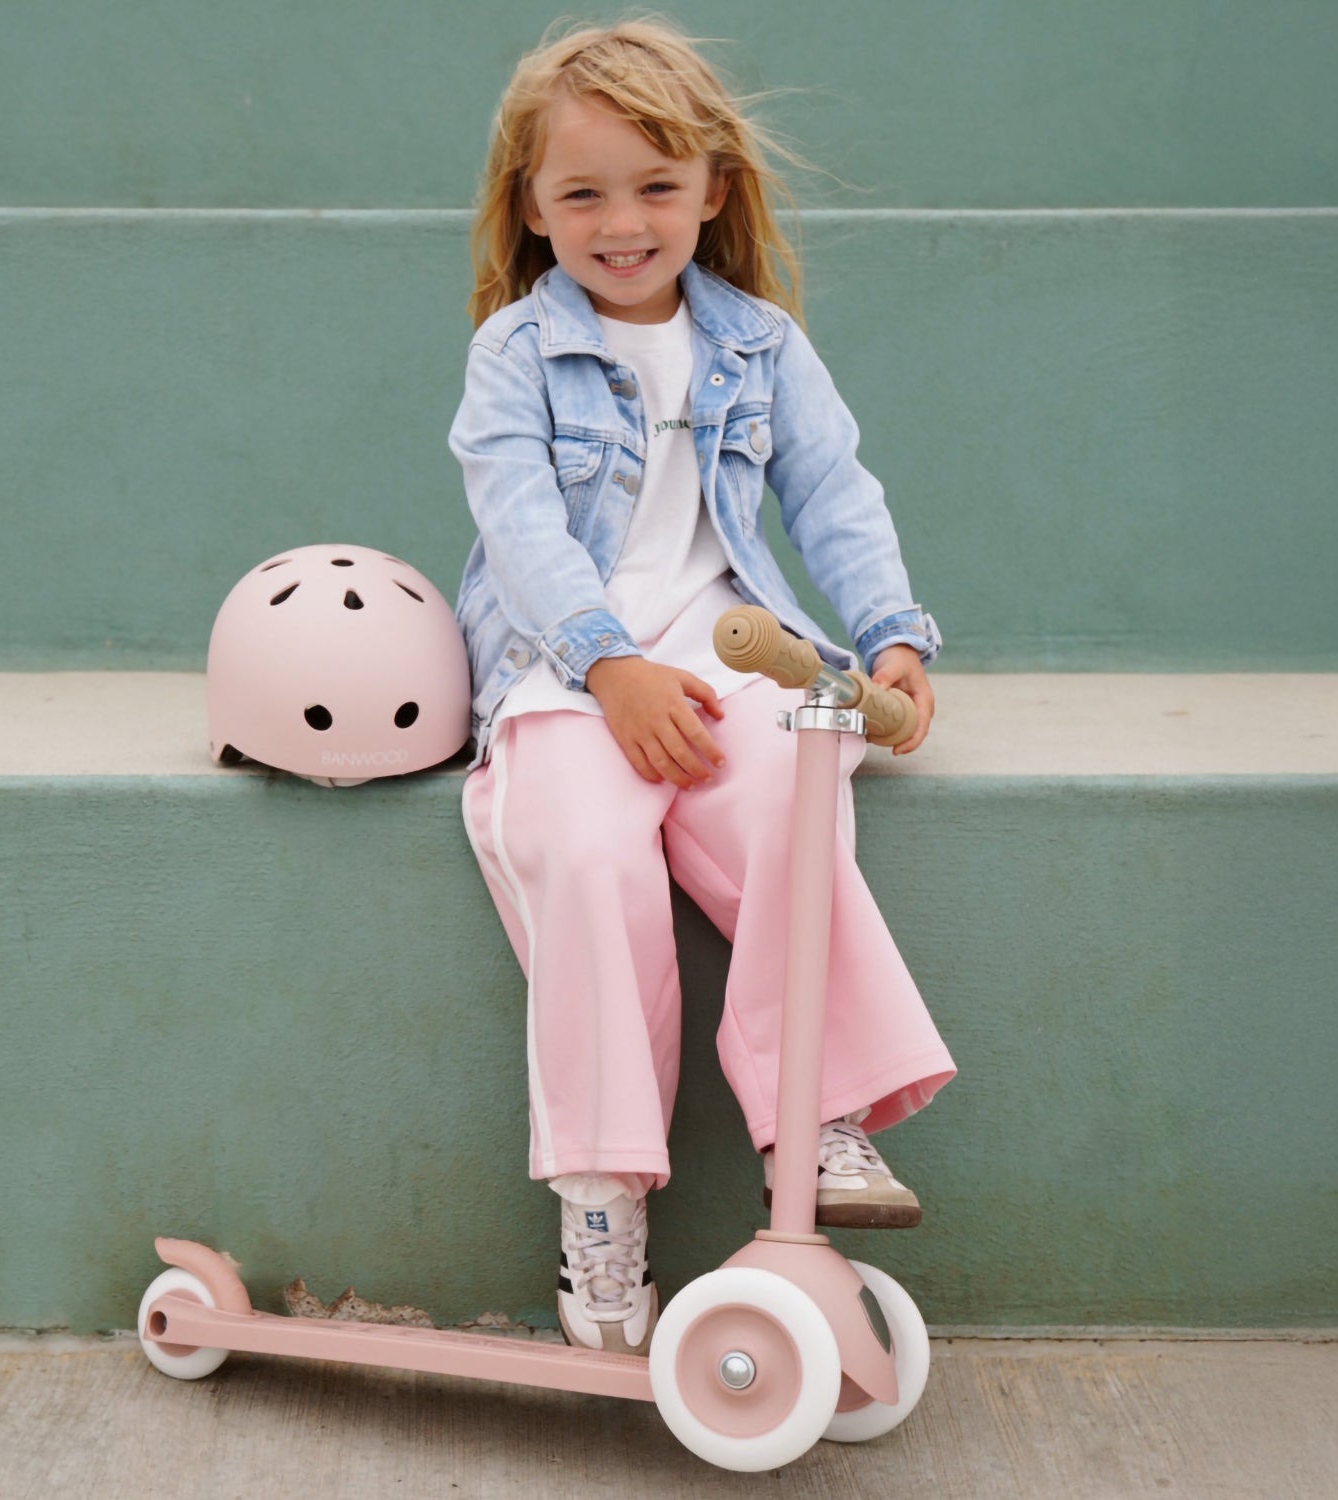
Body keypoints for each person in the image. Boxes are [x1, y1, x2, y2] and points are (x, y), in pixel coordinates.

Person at [448, 19, 955, 1357]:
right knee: (591, 853)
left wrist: (892, 631)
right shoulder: (516, 352)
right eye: (584, 193)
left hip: (734, 653)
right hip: (570, 675)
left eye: (657, 186)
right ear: (533, 207)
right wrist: (609, 667)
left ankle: (820, 1114)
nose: (624, 222)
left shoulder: (761, 344)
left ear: (715, 189)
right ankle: (604, 1208)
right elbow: (522, 529)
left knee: (798, 792)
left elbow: (834, 494)